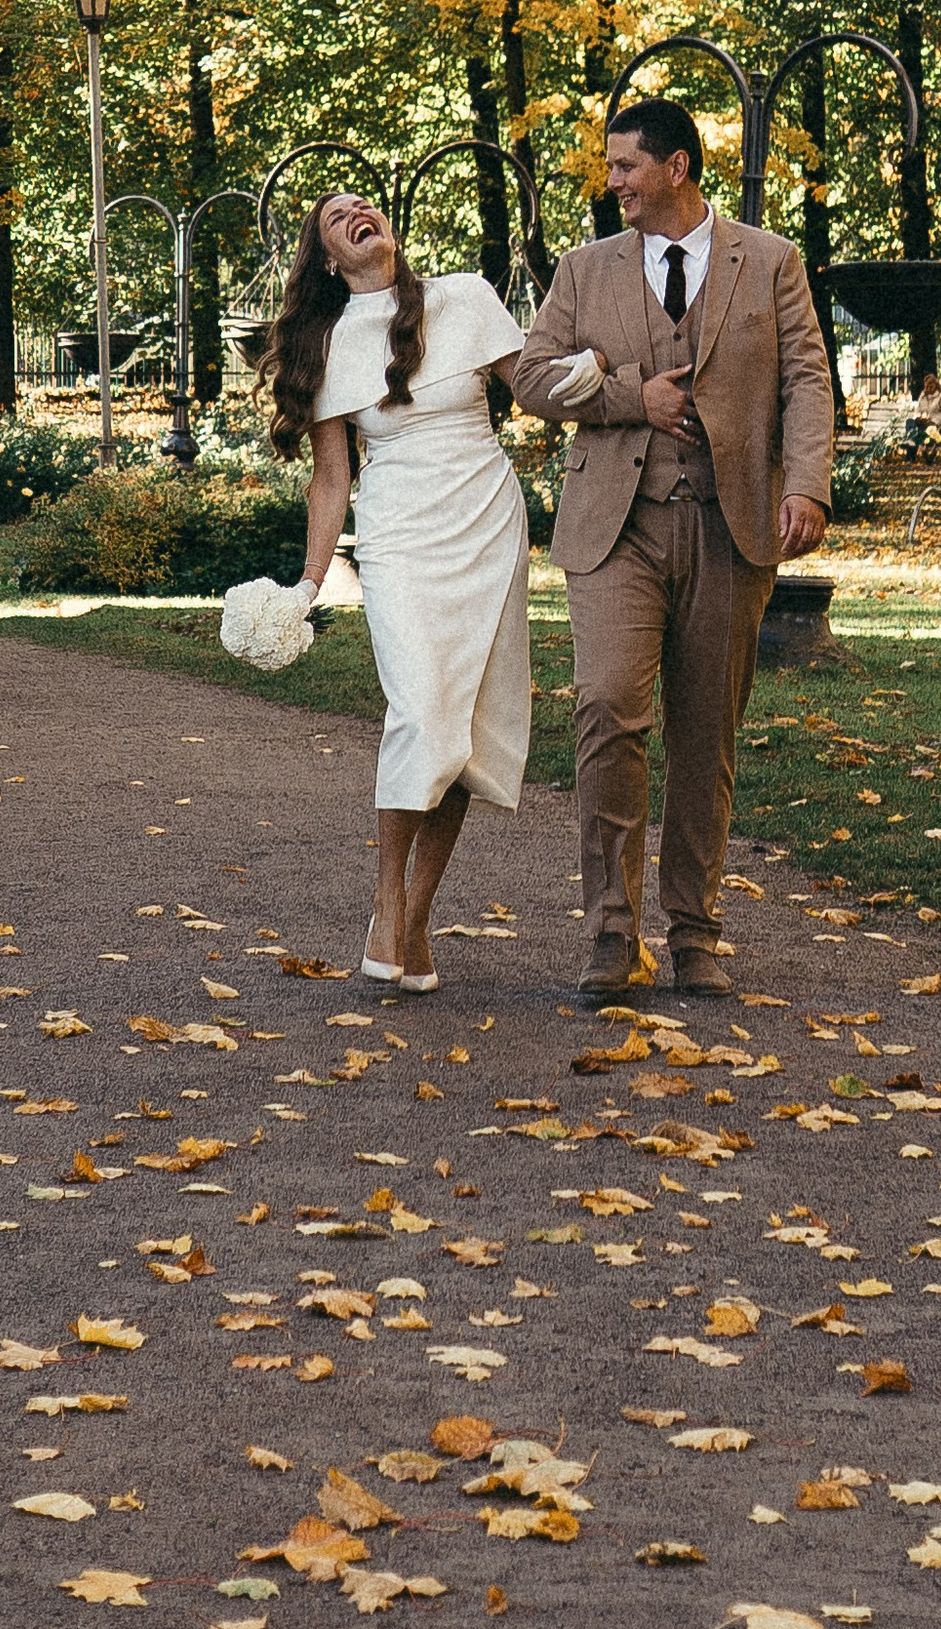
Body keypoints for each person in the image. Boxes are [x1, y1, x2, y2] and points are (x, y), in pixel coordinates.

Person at [513, 97, 833, 1002]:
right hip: (617, 524)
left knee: (707, 734)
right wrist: (626, 397)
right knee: (608, 711)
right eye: (610, 168)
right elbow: (533, 378)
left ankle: (695, 933)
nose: (610, 183)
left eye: (624, 168)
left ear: (678, 167)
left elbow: (808, 377)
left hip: (731, 525)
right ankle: (612, 936)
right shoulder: (583, 270)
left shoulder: (768, 261)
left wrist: (806, 483)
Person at [262, 193, 532, 989]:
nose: (358, 212)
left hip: (487, 524)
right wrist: (310, 582)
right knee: (421, 713)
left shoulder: (466, 300)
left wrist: (608, 375)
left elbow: (542, 389)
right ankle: (387, 902)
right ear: (328, 259)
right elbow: (331, 477)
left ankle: (416, 918)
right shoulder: (324, 342)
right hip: (401, 539)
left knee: (465, 733)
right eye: (336, 216)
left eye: (365, 202)